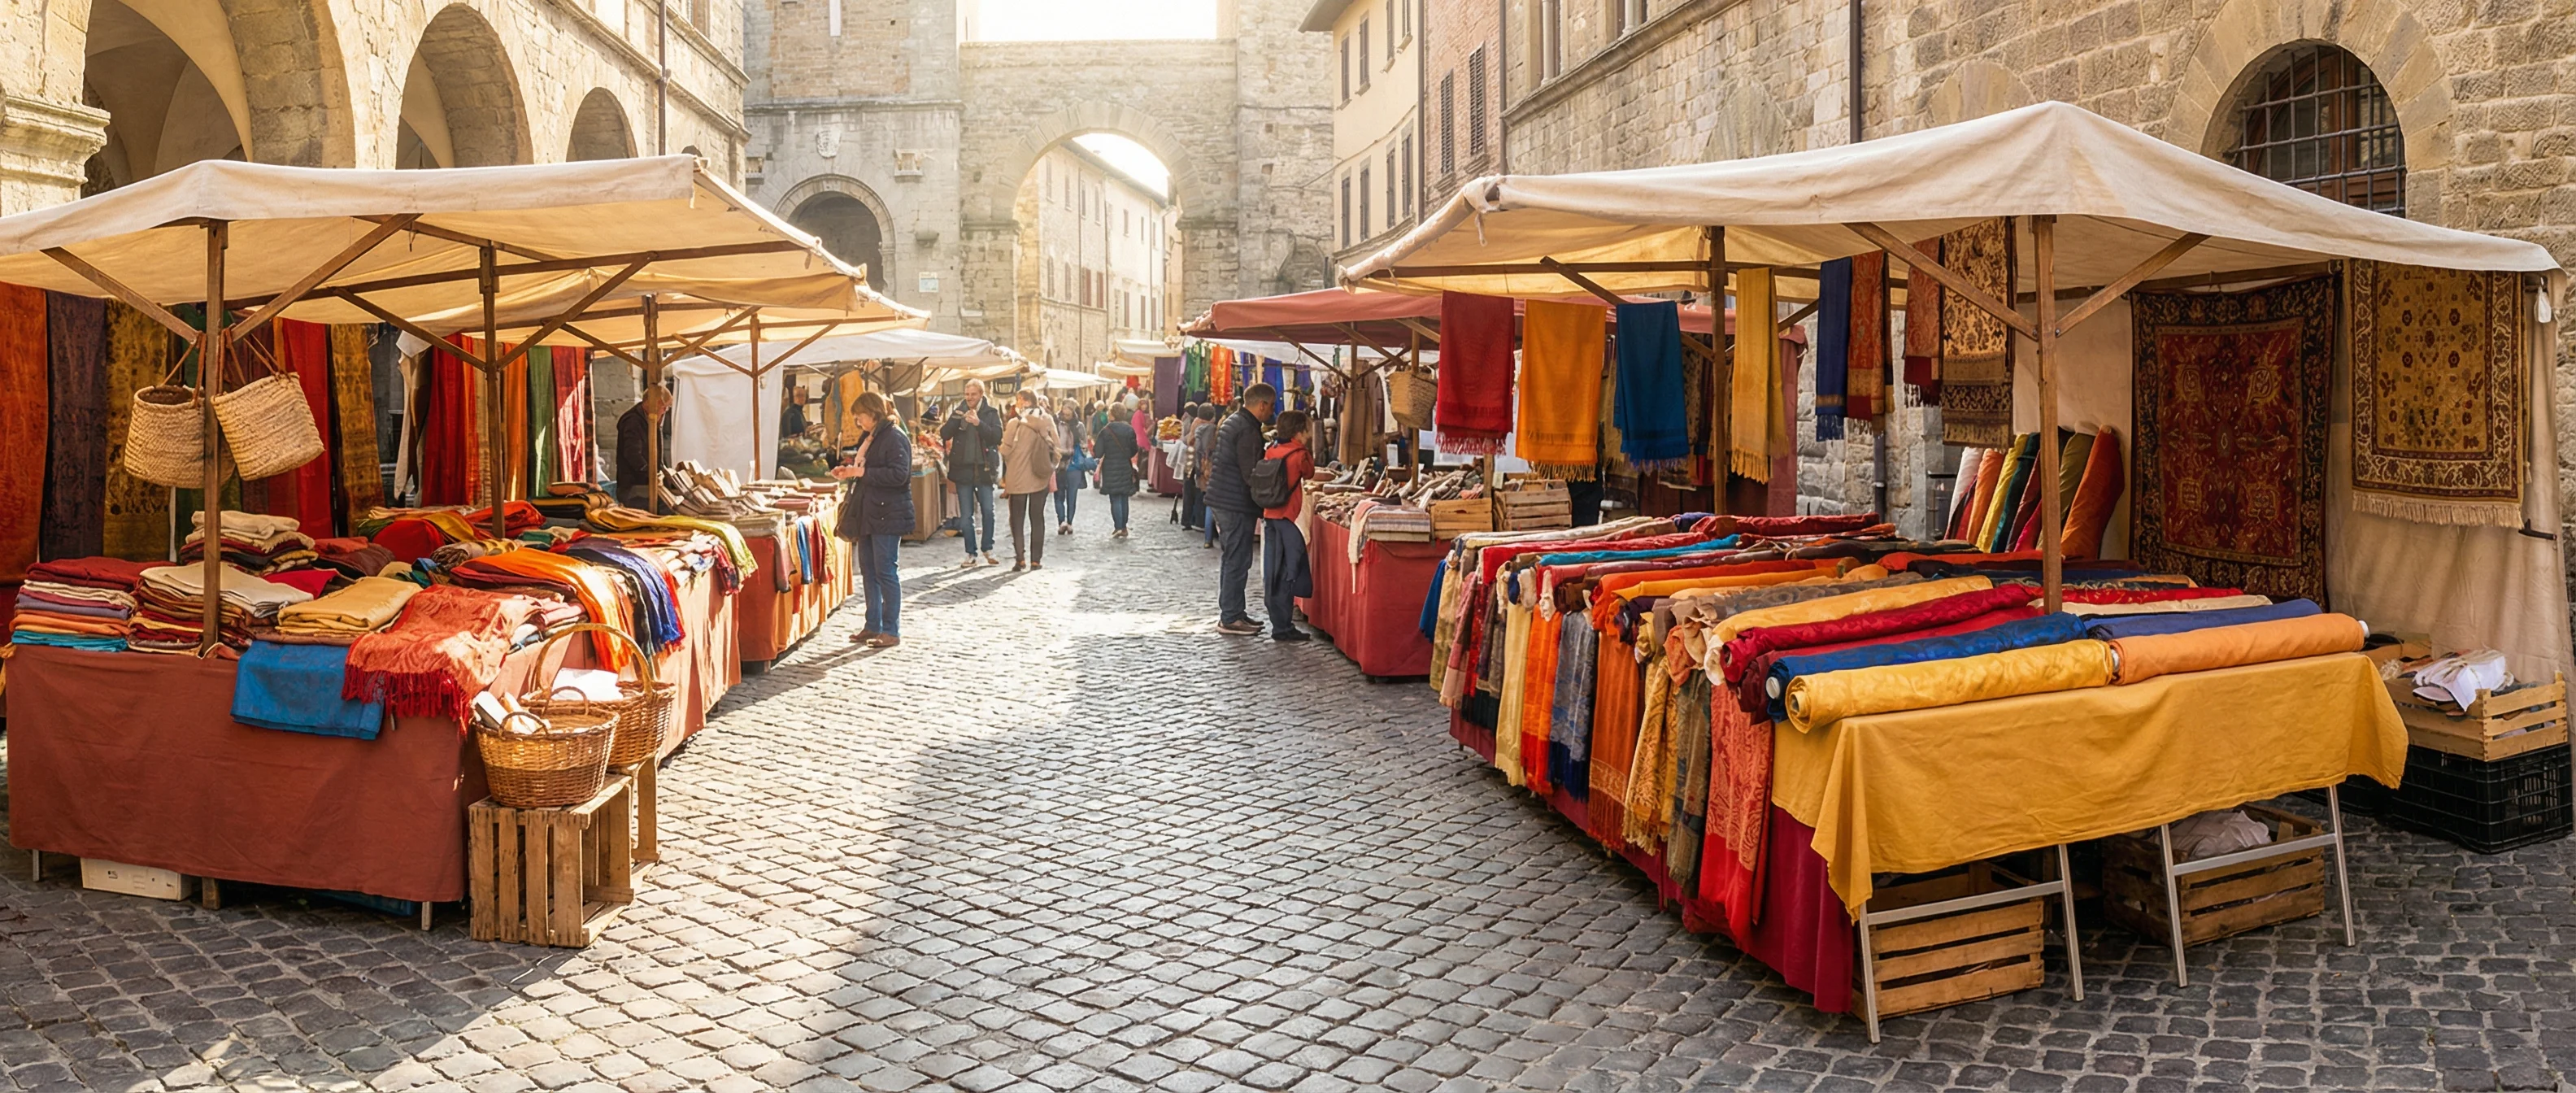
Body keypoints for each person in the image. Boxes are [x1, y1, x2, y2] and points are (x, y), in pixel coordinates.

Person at [831, 391, 910, 648]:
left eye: (860, 416)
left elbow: (899, 475)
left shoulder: (894, 437)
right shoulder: (872, 437)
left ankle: (891, 630)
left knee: (885, 571)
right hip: (869, 512)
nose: (858, 422)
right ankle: (873, 624)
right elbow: (866, 470)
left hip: (888, 513)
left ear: (874, 413)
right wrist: (849, 472)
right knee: (869, 571)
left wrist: (861, 472)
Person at [1203, 382, 1277, 635]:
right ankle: (1231, 617)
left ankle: (1234, 611)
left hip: (1225, 499)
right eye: (1271, 406)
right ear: (1262, 405)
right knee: (1237, 559)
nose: (1272, 412)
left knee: (1233, 558)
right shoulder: (1246, 428)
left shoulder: (1235, 421)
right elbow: (1250, 472)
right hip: (1234, 502)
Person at [1259, 408, 1319, 642]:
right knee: (1288, 570)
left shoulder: (1271, 449)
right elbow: (1310, 473)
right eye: (1307, 431)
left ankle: (1278, 622)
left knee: (1272, 572)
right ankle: (1283, 627)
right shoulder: (1300, 454)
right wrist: (1307, 448)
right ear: (1299, 431)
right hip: (1289, 518)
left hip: (1270, 516)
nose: (1309, 435)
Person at [939, 380, 1004, 567]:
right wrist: (957, 417)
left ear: (981, 395)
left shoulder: (991, 413)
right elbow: (945, 434)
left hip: (984, 471)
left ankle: (988, 548)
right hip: (963, 471)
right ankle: (971, 553)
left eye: (973, 394)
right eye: (967, 394)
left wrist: (978, 423)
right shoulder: (958, 412)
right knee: (966, 516)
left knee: (988, 511)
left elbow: (997, 437)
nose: (969, 398)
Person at [998, 390, 1060, 570]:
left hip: (1017, 478)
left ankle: (1020, 559)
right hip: (1040, 476)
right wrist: (1049, 467)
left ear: (1024, 401)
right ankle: (1036, 560)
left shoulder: (1014, 423)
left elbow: (1005, 450)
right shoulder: (1046, 420)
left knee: (1017, 519)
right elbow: (1057, 448)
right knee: (1037, 518)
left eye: (1018, 400)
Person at [1093, 407, 1147, 538]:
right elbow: (1134, 449)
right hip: (1125, 466)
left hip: (1110, 467)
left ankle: (1118, 527)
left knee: (1115, 497)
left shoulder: (1106, 431)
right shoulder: (1129, 429)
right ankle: (1123, 527)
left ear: (1112, 415)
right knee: (1124, 497)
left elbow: (1098, 452)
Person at [615, 385, 671, 509]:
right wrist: (651, 475)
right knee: (667, 507)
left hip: (645, 484)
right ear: (653, 404)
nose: (664, 411)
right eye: (663, 407)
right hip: (633, 488)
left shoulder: (650, 420)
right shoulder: (633, 421)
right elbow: (633, 455)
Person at [1053, 398, 1087, 533]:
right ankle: (1061, 521)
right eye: (1065, 408)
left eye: (1070, 410)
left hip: (1073, 464)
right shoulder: (1055, 423)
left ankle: (1070, 522)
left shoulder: (1079, 426)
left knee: (1072, 495)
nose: (1067, 412)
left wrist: (1079, 453)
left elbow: (1084, 444)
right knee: (1058, 495)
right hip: (1058, 464)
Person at [1193, 403, 1222, 547]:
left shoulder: (1198, 430)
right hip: (1215, 469)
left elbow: (1197, 450)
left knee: (1209, 503)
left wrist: (1199, 468)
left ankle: (1207, 539)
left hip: (1204, 469)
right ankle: (1220, 537)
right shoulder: (1216, 431)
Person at [1177, 401, 1206, 531]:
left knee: (1188, 491)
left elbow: (1186, 440)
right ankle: (1196, 520)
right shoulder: (1205, 426)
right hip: (1198, 463)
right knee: (1198, 491)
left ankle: (1187, 520)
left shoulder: (1193, 423)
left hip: (1190, 461)